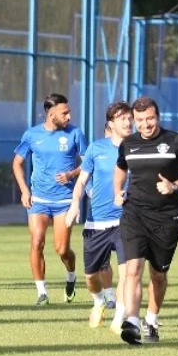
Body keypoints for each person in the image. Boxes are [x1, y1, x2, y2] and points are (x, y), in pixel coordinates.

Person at [114, 96, 178, 344]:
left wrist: (174, 185)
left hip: (165, 218)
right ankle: (132, 320)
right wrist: (117, 191)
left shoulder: (176, 142)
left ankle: (151, 318)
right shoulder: (128, 143)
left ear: (158, 117)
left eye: (150, 118)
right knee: (132, 269)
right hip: (134, 214)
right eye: (140, 120)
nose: (145, 124)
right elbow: (120, 167)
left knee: (158, 274)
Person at [12, 94, 86, 306]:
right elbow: (16, 163)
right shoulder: (32, 135)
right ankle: (42, 292)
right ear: (51, 114)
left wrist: (71, 174)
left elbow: (88, 163)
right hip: (39, 199)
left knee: (62, 249)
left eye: (69, 112)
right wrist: (25, 191)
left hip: (64, 201)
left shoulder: (75, 134)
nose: (69, 116)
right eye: (64, 113)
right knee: (36, 242)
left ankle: (71, 276)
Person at [65, 101, 130, 329]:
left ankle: (119, 317)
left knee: (127, 274)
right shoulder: (96, 148)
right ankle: (99, 301)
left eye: (129, 117)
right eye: (122, 118)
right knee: (91, 277)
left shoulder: (138, 148)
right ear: (111, 124)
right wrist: (75, 205)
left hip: (126, 221)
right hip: (96, 223)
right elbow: (82, 181)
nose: (128, 121)